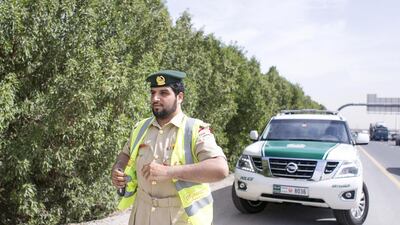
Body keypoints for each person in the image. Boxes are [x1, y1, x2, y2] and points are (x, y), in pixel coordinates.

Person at [111, 70, 229, 225]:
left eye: (163, 93)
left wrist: (169, 172)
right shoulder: (140, 127)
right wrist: (118, 169)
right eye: (153, 93)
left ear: (180, 97)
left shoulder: (195, 130)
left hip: (178, 217)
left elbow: (220, 169)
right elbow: (125, 154)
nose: (155, 98)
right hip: (141, 214)